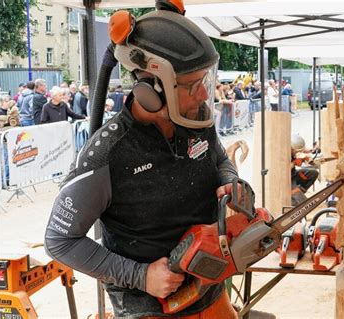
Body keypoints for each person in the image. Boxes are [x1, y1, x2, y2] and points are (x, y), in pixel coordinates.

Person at [44, 5, 239, 319]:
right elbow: (60, 240)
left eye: (204, 81)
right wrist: (140, 276)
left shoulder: (194, 121)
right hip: (150, 308)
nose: (203, 94)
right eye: (192, 86)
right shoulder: (108, 153)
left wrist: (230, 180)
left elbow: (220, 159)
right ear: (152, 90)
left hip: (210, 290)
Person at [290, 134, 319, 206]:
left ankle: (301, 191)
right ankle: (294, 202)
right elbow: (283, 169)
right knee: (301, 199)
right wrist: (294, 163)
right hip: (286, 179)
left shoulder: (294, 145)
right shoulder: (282, 153)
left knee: (313, 173)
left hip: (293, 174)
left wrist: (311, 151)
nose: (296, 153)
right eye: (295, 151)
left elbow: (303, 149)